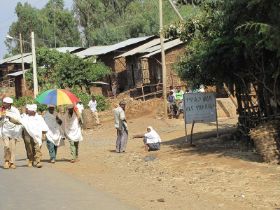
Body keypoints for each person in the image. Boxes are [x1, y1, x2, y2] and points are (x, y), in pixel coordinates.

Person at [21, 104, 49, 168]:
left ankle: (38, 161)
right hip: (28, 135)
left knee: (37, 148)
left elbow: (43, 126)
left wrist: (44, 134)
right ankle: (30, 160)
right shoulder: (25, 117)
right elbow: (21, 124)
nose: (28, 111)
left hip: (37, 136)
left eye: (30, 110)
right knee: (29, 148)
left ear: (34, 111)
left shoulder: (39, 117)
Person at [0, 97, 22, 169]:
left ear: (9, 104)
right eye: (3, 102)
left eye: (5, 103)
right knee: (7, 146)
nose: (4, 104)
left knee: (13, 147)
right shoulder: (2, 109)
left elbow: (19, 120)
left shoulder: (15, 110)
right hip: (5, 130)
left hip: (14, 131)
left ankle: (12, 162)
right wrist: (1, 116)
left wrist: (10, 117)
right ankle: (6, 161)